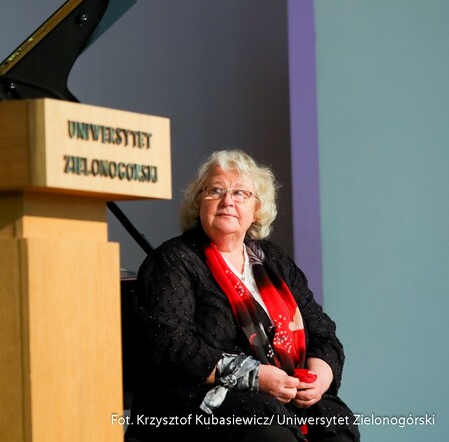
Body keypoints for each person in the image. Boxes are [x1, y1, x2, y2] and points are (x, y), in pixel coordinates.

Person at [125, 150, 358, 442]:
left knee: (334, 426)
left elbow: (323, 332)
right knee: (268, 428)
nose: (227, 201)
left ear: (256, 208)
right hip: (200, 404)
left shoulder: (274, 260)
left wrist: (318, 379)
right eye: (216, 190)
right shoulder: (172, 260)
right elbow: (170, 345)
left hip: (287, 396)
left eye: (240, 193)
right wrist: (255, 376)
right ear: (199, 202)